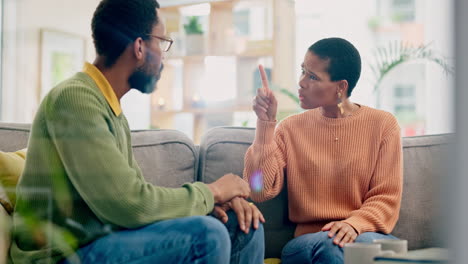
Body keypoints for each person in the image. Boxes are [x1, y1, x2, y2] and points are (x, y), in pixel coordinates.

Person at [11, 0, 265, 263]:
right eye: (163, 41)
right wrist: (211, 192)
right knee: (206, 236)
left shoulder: (109, 107)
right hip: (59, 255)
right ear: (140, 47)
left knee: (243, 227)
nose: (164, 55)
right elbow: (130, 205)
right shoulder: (75, 99)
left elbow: (132, 196)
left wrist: (205, 206)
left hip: (104, 240)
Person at [244, 37, 403, 264]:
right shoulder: (290, 129)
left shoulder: (383, 125)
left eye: (312, 77)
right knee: (334, 245)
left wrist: (353, 224)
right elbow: (258, 189)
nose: (301, 82)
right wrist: (265, 124)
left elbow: (386, 197)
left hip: (364, 234)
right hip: (308, 241)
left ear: (341, 87)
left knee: (389, 252)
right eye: (303, 71)